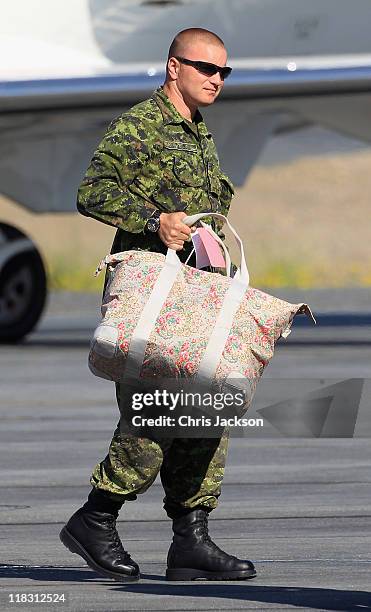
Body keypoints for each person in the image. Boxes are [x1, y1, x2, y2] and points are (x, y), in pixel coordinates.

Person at [59, 27, 256, 583]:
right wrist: (153, 222)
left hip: (199, 291)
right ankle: (96, 515)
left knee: (210, 405)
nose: (217, 79)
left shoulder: (198, 131)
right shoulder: (141, 125)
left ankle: (190, 539)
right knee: (158, 406)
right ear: (174, 67)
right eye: (205, 68)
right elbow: (91, 189)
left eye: (224, 71)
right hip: (154, 294)